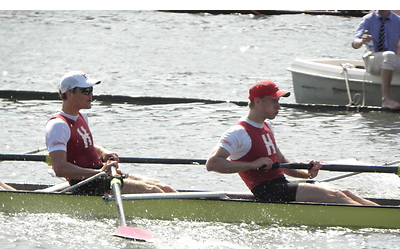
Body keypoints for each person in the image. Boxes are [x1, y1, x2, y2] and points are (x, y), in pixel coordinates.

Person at [206, 80, 378, 206]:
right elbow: (212, 164)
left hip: (281, 184)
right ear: (257, 101)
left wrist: (307, 172)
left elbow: (283, 165)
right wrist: (253, 164)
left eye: (278, 101)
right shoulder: (238, 132)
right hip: (268, 191)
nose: (278, 106)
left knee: (344, 192)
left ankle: (384, 213)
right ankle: (378, 220)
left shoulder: (267, 126)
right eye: (274, 101)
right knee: (336, 196)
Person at [45, 71, 176, 195]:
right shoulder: (58, 125)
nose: (90, 95)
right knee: (153, 191)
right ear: (69, 93)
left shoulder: (82, 116)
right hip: (86, 183)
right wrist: (98, 173)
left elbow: (84, 141)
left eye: (91, 90)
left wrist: (103, 152)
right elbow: (60, 168)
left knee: (165, 188)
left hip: (101, 175)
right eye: (85, 91)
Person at [352, 10, 400, 109]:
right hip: (372, 58)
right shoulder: (368, 19)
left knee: (390, 56)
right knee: (389, 55)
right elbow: (355, 44)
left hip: (392, 59)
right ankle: (385, 99)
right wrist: (362, 40)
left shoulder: (397, 20)